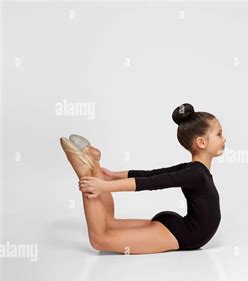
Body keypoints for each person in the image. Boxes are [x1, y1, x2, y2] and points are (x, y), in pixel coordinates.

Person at [60, 103, 226, 254]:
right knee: (100, 240)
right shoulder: (195, 172)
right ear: (202, 142)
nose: (224, 139)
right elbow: (151, 179)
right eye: (219, 134)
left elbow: (153, 175)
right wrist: (107, 182)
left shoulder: (194, 171)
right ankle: (85, 173)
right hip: (180, 234)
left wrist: (107, 182)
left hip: (176, 227)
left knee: (110, 223)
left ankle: (94, 163)